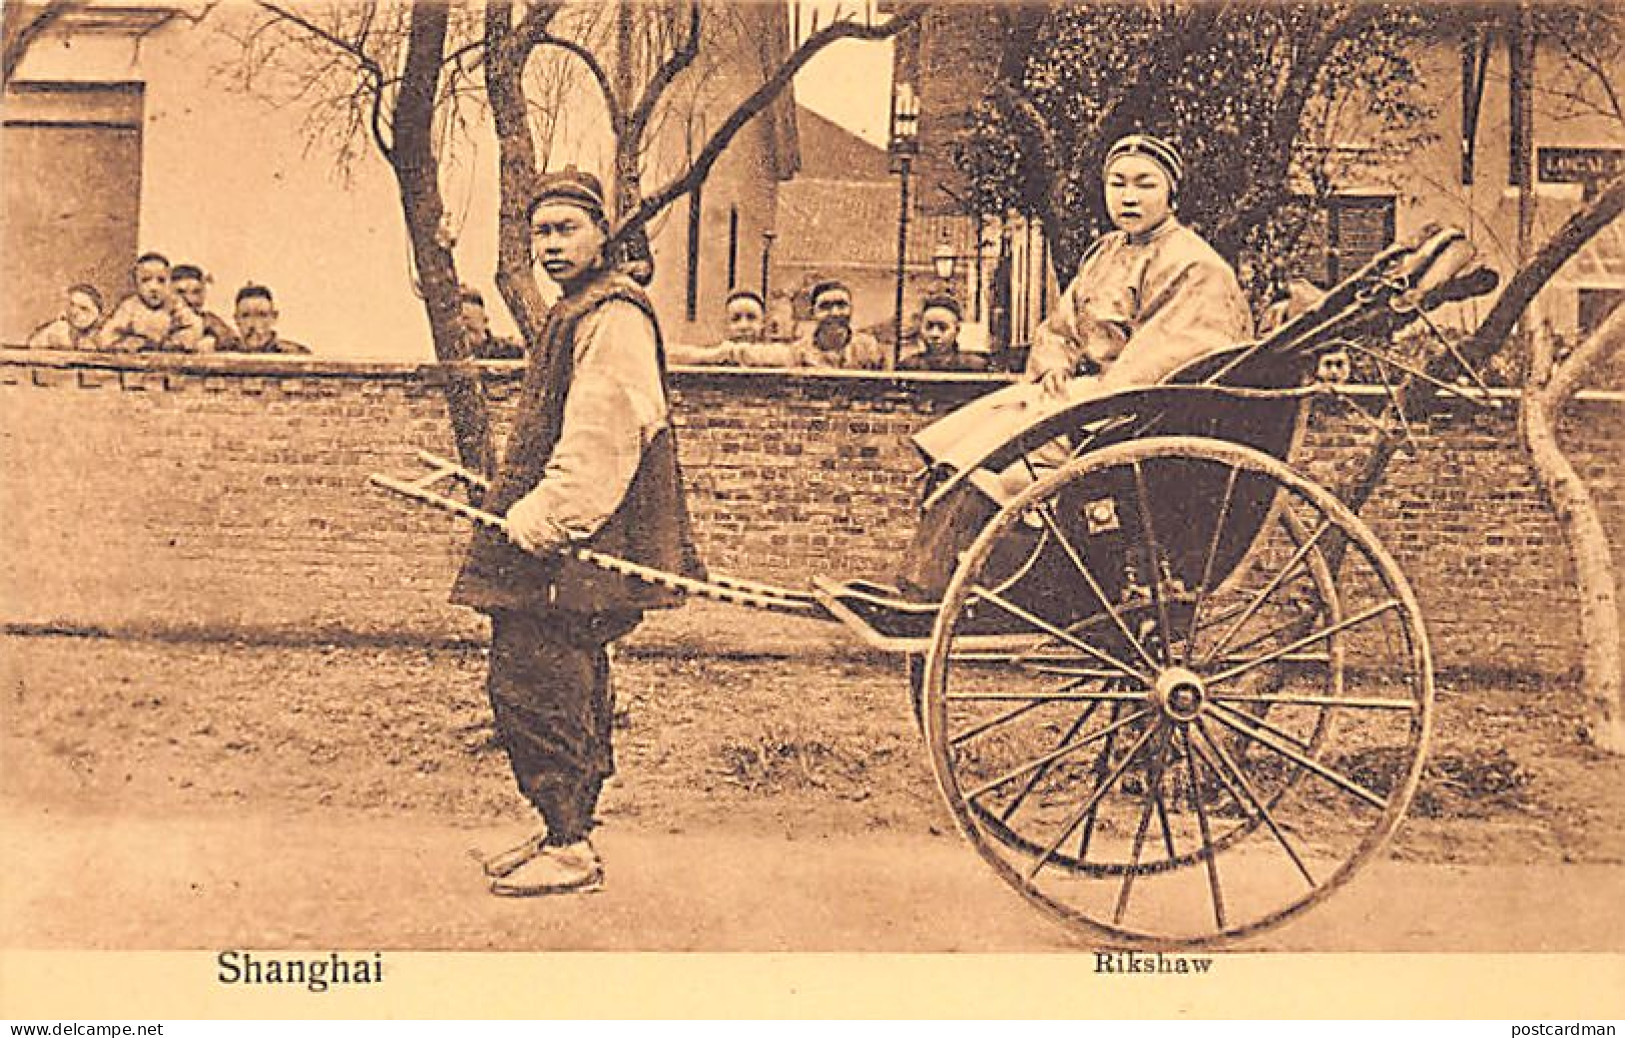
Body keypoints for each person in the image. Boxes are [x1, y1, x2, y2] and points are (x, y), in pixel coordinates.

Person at [449, 168, 704, 897]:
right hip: (562, 532)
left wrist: (547, 518)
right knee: (566, 676)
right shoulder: (576, 307)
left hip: (574, 536)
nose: (551, 246)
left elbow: (608, 427)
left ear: (603, 235)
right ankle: (564, 828)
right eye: (540, 234)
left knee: (532, 679)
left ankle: (569, 846)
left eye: (567, 230)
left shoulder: (612, 311)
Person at [895, 133, 1255, 599]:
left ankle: (954, 589)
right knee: (967, 450)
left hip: (1128, 412)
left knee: (999, 462)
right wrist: (1053, 367)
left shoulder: (1194, 265)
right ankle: (928, 583)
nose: (1128, 196)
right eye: (1117, 183)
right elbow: (1062, 326)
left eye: (1145, 184)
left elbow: (1164, 359)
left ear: (1171, 192)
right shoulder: (1106, 251)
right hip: (1080, 394)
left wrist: (1093, 398)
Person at [96, 252, 205, 352]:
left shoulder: (174, 304)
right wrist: (125, 342)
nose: (154, 288)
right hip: (137, 364)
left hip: (168, 360)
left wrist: (181, 339)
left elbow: (195, 325)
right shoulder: (129, 307)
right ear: (136, 283)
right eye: (145, 280)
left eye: (161, 280)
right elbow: (106, 336)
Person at [668, 289, 796, 367]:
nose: (743, 326)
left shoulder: (777, 353)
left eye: (751, 318)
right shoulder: (716, 351)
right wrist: (714, 354)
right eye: (735, 319)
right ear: (725, 325)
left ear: (763, 323)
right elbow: (670, 355)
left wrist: (737, 353)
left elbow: (790, 356)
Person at [792, 280, 890, 370]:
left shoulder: (870, 349)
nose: (835, 313)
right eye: (825, 306)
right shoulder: (798, 354)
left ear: (851, 309)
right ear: (812, 312)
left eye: (841, 305)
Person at [897, 294, 989, 372]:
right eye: (929, 327)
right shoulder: (908, 367)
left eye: (943, 328)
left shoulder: (975, 367)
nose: (934, 334)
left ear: (956, 331)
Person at [171, 264, 241, 352]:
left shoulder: (211, 322)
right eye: (180, 292)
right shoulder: (164, 322)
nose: (190, 299)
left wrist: (216, 343)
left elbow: (234, 341)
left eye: (196, 292)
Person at [230, 284, 311, 355]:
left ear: (274, 317)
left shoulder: (296, 356)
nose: (253, 324)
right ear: (236, 319)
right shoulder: (224, 355)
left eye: (262, 315)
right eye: (246, 316)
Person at [27, 283, 104, 350]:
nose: (74, 312)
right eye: (72, 305)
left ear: (98, 314)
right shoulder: (56, 330)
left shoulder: (103, 336)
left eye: (84, 309)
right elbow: (32, 347)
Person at [459, 285, 525, 359]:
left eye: (471, 330)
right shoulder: (450, 352)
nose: (466, 337)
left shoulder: (506, 350)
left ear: (485, 321)